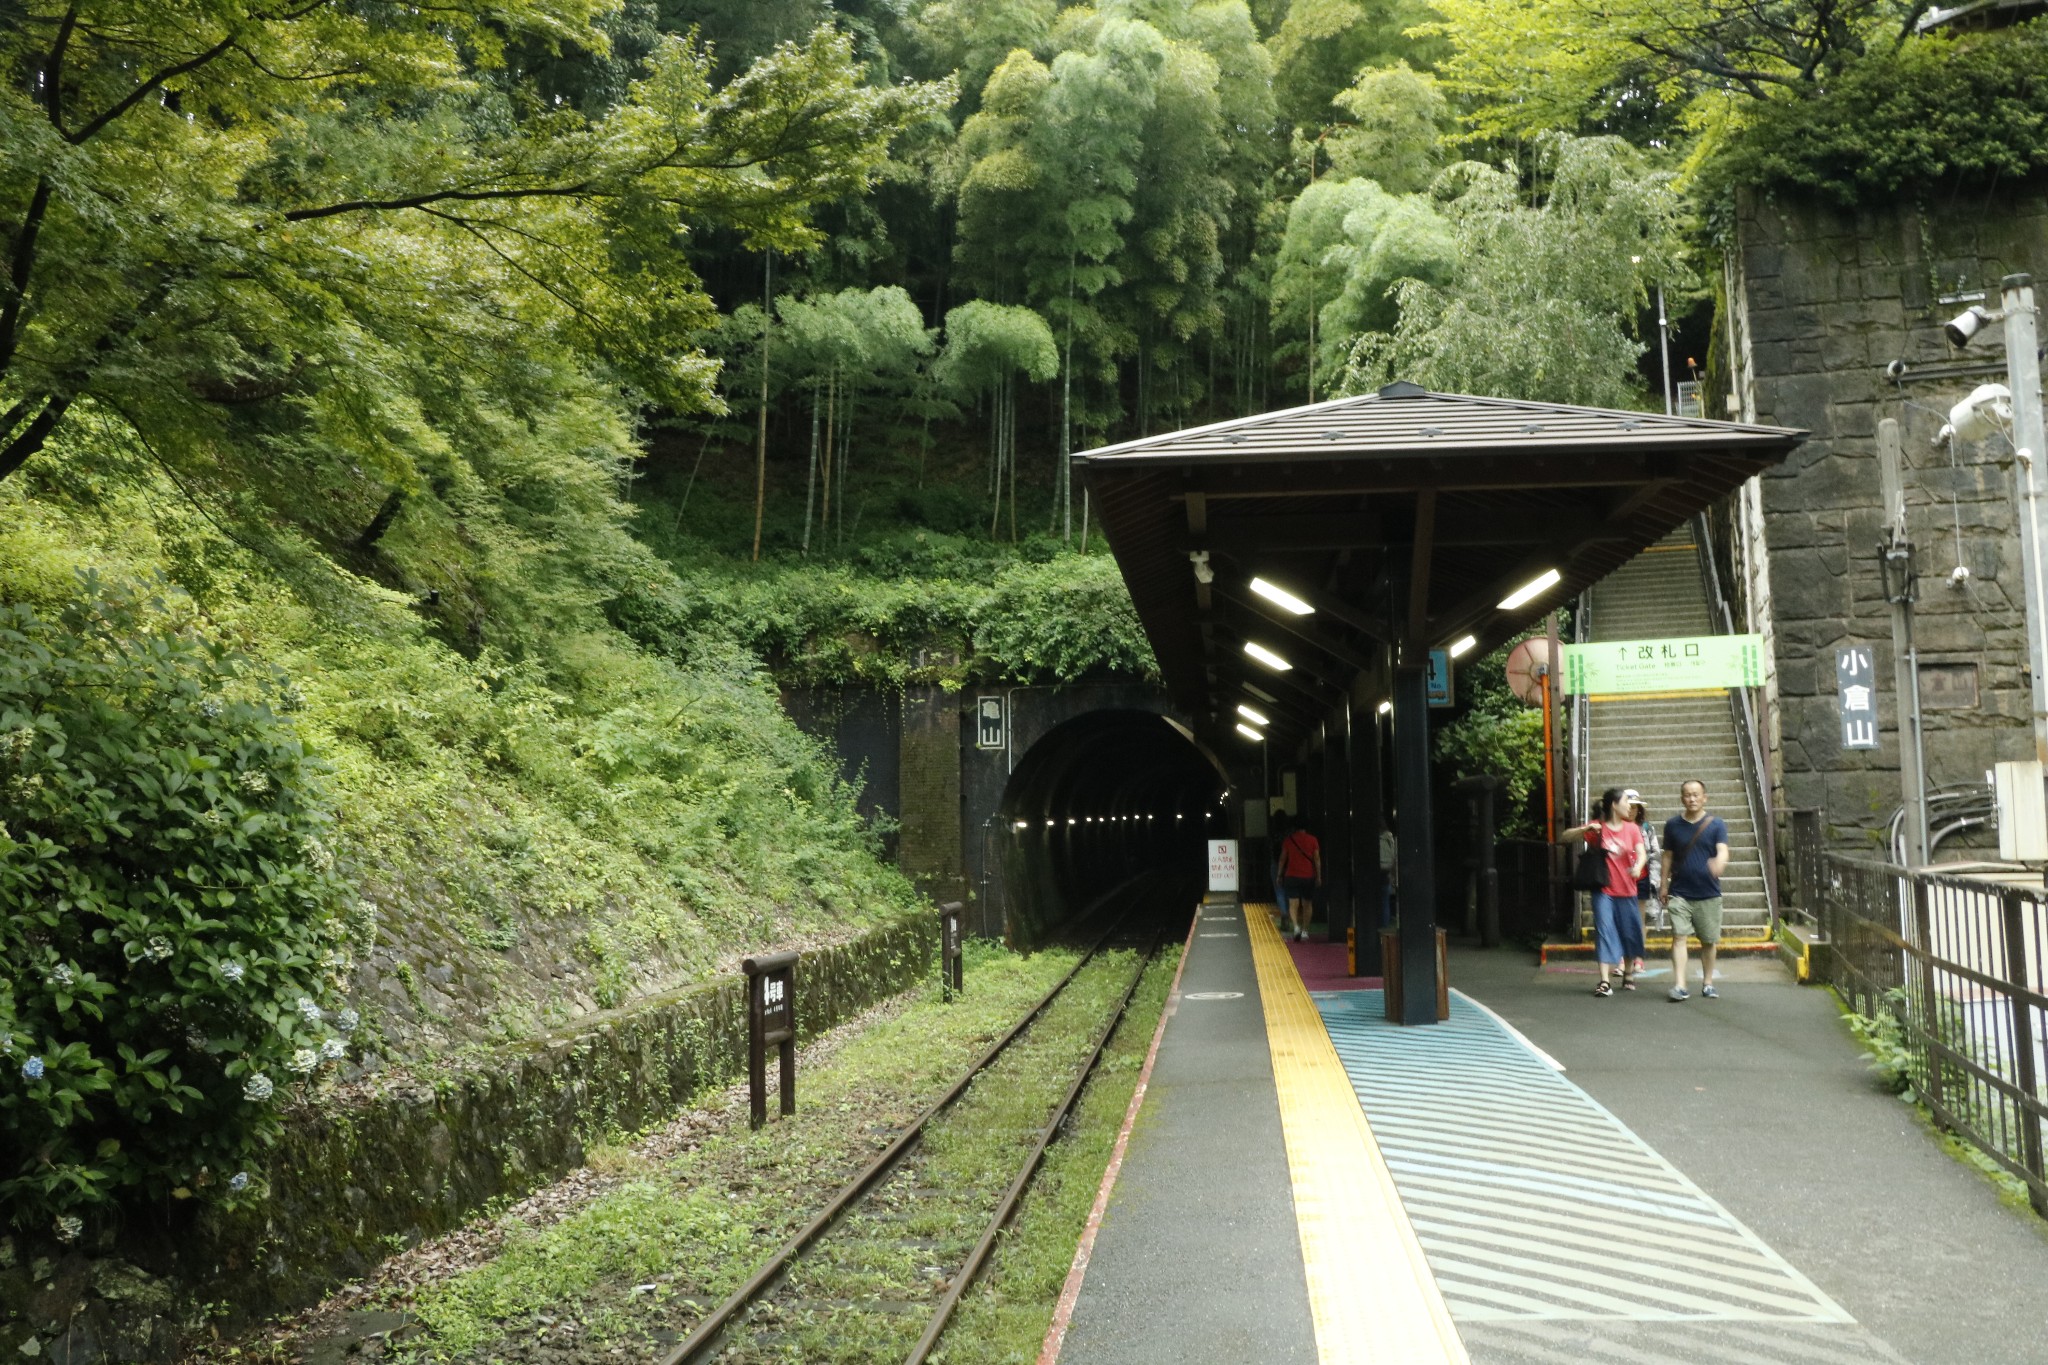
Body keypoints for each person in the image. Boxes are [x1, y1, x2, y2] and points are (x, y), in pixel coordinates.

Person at [1559, 787, 1647, 997]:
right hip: (1604, 889)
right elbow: (1565, 836)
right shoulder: (1598, 828)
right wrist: (1585, 830)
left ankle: (1627, 972)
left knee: (1628, 930)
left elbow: (1642, 853)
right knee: (1604, 930)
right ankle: (1604, 981)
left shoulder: (1632, 828)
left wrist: (1637, 867)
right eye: (1626, 801)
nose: (1630, 806)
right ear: (1614, 805)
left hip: (1627, 889)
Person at [1659, 778, 1730, 1002]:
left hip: (1708, 892)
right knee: (1679, 937)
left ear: (1704, 797)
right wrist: (1663, 884)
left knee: (1708, 941)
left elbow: (1723, 850)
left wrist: (1720, 862)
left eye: (1696, 794)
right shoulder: (1672, 825)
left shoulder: (1717, 824)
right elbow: (1667, 856)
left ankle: (1708, 983)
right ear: (1682, 798)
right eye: (1687, 795)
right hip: (1680, 891)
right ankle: (1680, 984)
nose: (1691, 798)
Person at [1274, 816, 1322, 943]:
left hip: (1292, 876)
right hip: (1308, 876)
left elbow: (1282, 859)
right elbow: (1317, 859)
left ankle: (1296, 927)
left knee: (1293, 904)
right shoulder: (1313, 840)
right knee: (1307, 904)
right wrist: (1318, 876)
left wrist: (1279, 875)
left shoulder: (1288, 841)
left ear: (1294, 827)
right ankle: (1305, 931)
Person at [1627, 792, 1659, 977]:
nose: (1631, 810)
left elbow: (1655, 853)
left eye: (1634, 806)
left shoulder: (1646, 828)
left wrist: (1654, 880)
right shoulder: (1616, 827)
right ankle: (1623, 959)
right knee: (1621, 919)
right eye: (1628, 805)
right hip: (1620, 880)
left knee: (1639, 919)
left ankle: (1638, 957)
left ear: (1639, 809)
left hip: (1642, 878)